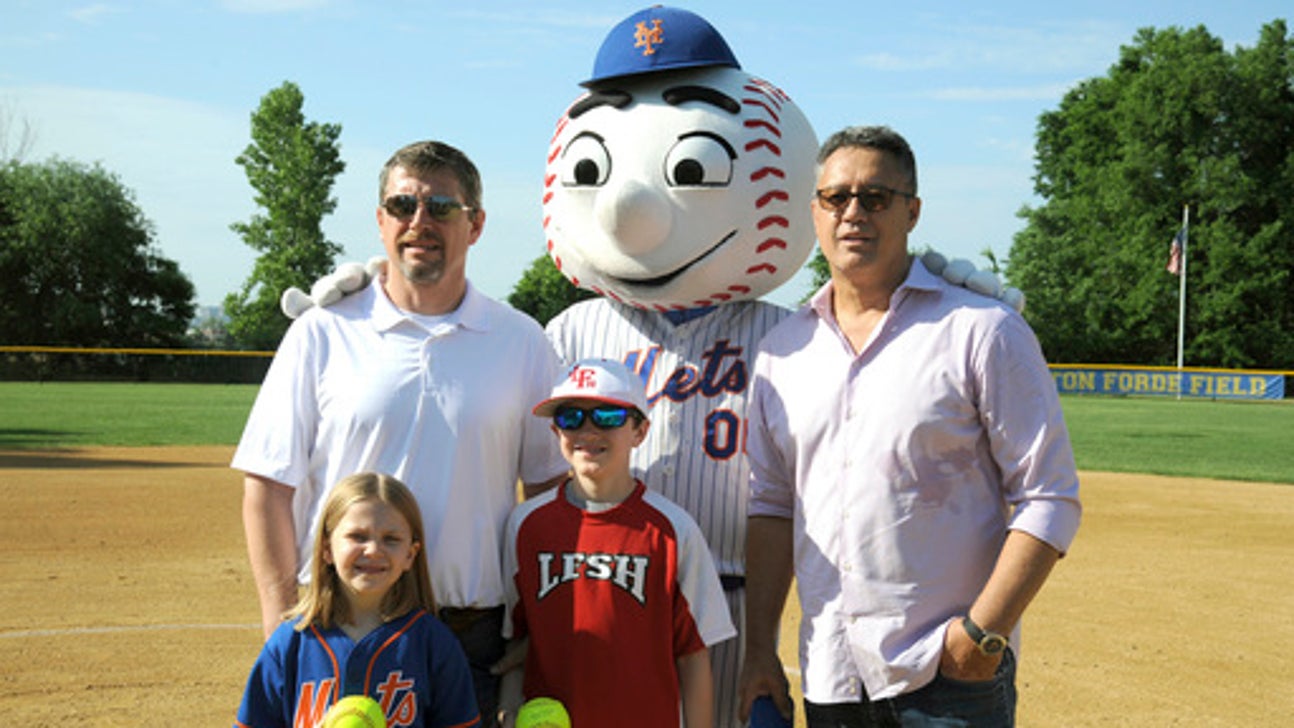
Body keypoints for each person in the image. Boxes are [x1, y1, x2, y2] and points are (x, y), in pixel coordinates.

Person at [738, 125, 1082, 727]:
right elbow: (771, 506)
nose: (853, 213)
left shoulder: (981, 329)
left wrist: (982, 637)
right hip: (831, 676)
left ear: (912, 211)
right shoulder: (782, 351)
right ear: (814, 211)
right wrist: (759, 646)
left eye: (875, 197)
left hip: (947, 678)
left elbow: (1048, 497)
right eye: (835, 197)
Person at [233, 140, 569, 726]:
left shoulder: (521, 341)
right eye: (403, 204)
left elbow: (549, 499)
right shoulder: (323, 332)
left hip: (471, 633)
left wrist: (540, 626)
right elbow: (267, 486)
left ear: (476, 223)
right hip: (336, 627)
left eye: (442, 206)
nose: (421, 222)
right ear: (381, 219)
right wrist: (281, 622)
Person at [497, 358, 737, 728]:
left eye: (607, 416)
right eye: (570, 417)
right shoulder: (526, 525)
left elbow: (693, 655)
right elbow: (516, 640)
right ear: (555, 431)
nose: (587, 430)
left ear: (640, 431)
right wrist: (509, 706)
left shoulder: (672, 530)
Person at [234, 472, 480, 728]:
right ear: (327, 549)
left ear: (410, 554)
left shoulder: (432, 643)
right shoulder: (292, 641)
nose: (373, 550)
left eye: (391, 539)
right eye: (357, 537)